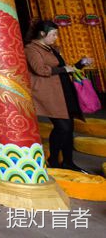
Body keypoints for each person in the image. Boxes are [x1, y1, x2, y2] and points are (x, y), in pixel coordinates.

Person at [24, 20, 93, 173]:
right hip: (49, 94)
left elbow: (64, 68)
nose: (56, 37)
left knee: (69, 128)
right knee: (63, 127)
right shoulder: (31, 49)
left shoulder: (50, 49)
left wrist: (81, 63)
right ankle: (53, 160)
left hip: (63, 90)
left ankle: (68, 162)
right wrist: (64, 69)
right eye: (53, 34)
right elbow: (40, 69)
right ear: (42, 33)